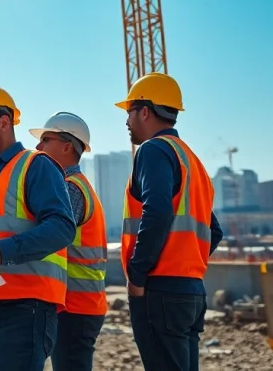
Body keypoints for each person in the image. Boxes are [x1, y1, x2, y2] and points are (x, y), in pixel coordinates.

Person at [0, 83, 77, 371]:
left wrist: (0, 251)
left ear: (5, 122)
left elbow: (62, 227)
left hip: (24, 311)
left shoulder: (37, 165)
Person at [115, 72, 225, 371]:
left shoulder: (153, 150)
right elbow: (214, 231)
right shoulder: (192, 161)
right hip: (190, 290)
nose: (127, 123)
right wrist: (185, 264)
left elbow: (158, 210)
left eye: (129, 113)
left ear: (146, 111)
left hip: (158, 291)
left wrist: (138, 275)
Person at [29, 112, 108, 371]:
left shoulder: (70, 189)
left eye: (45, 139)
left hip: (76, 307)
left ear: (66, 146)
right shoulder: (75, 186)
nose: (38, 147)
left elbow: (50, 236)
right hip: (80, 305)